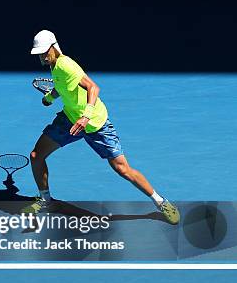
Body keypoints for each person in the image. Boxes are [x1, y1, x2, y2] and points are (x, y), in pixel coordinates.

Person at [27, 30, 180, 224]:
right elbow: (62, 87)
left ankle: (161, 202)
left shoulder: (66, 65)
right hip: (69, 119)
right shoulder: (54, 65)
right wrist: (49, 98)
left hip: (95, 123)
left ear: (54, 47)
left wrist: (85, 117)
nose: (42, 56)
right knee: (36, 156)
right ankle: (46, 200)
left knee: (122, 169)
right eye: (39, 53)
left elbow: (93, 87)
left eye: (44, 51)